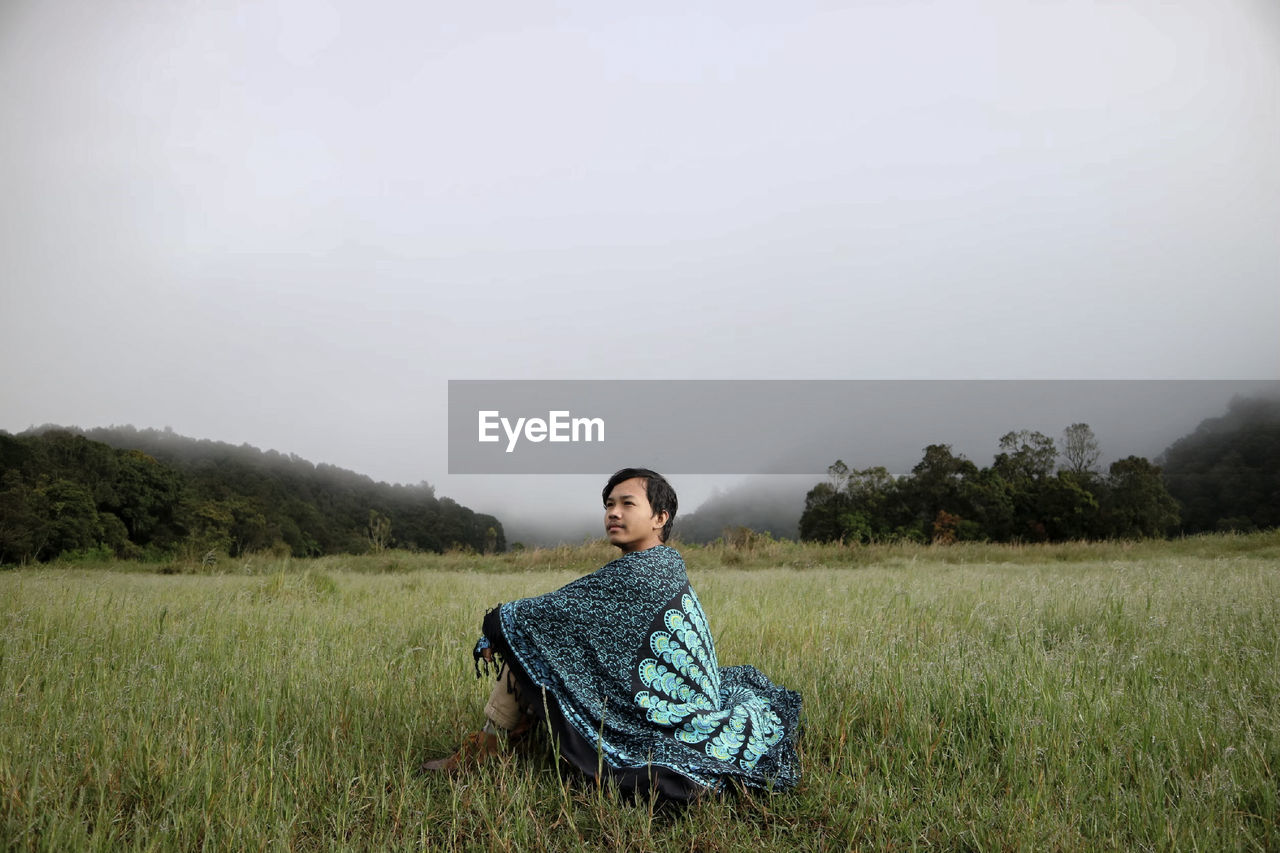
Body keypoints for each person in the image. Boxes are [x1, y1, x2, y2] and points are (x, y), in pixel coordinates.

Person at [421, 467, 802, 800]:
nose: (613, 513)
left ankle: (492, 743)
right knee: (542, 632)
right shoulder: (662, 565)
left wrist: (496, 628)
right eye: (608, 505)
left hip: (667, 711)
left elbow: (545, 613)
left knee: (530, 632)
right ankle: (505, 734)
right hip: (666, 691)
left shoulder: (641, 573)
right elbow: (565, 614)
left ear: (660, 518)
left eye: (627, 503)